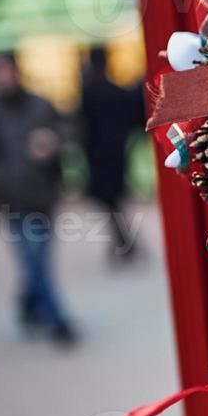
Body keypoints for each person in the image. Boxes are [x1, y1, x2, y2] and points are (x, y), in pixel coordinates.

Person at [0, 53, 77, 344]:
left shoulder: (39, 104)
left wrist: (52, 142)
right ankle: (58, 320)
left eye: (7, 71)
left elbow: (68, 129)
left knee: (38, 259)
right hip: (10, 199)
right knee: (33, 258)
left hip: (42, 195)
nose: (3, 77)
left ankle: (28, 304)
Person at [78, 45, 144, 262]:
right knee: (113, 202)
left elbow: (82, 127)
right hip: (118, 154)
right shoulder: (115, 91)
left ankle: (125, 242)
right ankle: (124, 241)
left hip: (98, 157)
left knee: (110, 203)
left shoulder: (88, 92)